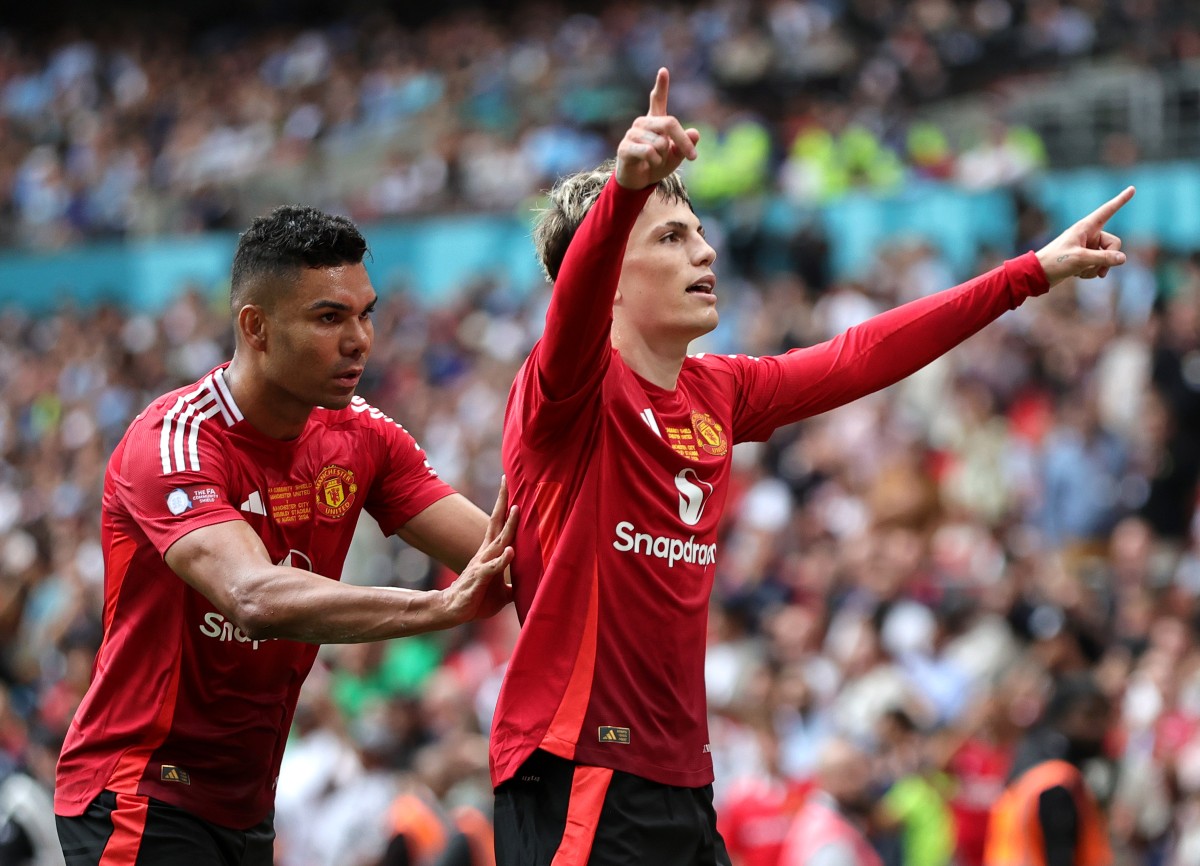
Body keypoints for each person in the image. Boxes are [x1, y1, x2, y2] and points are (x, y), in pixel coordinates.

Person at [489, 65, 1133, 865]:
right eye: (672, 236)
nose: (707, 249)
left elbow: (859, 354)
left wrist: (1026, 275)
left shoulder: (716, 392)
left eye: (697, 230)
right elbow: (572, 311)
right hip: (576, 767)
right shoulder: (563, 395)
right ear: (609, 273)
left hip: (681, 778)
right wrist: (622, 191)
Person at [53, 205, 517, 865]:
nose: (360, 339)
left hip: (248, 807)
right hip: (141, 792)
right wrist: (438, 607)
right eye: (330, 318)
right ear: (256, 326)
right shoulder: (174, 440)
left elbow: (504, 559)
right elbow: (253, 597)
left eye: (366, 314)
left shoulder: (365, 437)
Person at [983, 675, 1114, 866]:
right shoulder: (1057, 777)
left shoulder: (1029, 758)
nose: (1100, 727)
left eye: (1104, 716)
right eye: (1090, 715)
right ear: (1062, 716)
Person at [779, 739, 882, 866]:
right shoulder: (829, 836)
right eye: (853, 774)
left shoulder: (814, 818)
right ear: (831, 778)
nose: (862, 782)